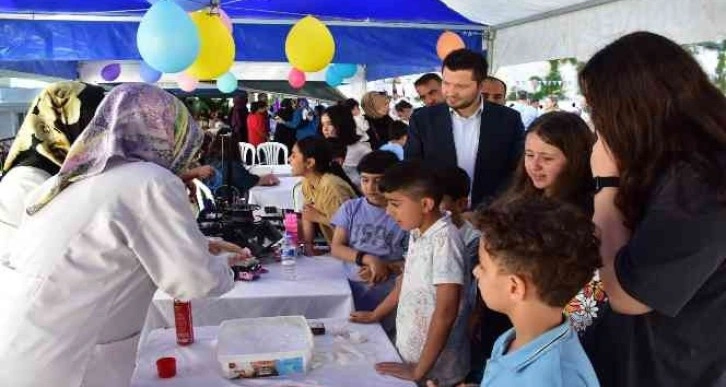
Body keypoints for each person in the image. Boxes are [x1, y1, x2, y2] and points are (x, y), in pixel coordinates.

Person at [0, 83, 247, 387]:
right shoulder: (150, 182)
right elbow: (194, 282)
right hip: (67, 366)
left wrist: (202, 245)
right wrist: (229, 264)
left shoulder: (73, 180)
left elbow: (102, 247)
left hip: (22, 351)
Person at [580, 31, 726, 387]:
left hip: (669, 368)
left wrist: (607, 185)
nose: (595, 124)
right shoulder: (666, 166)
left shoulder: (700, 180)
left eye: (596, 109)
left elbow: (628, 296)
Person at [350, 161, 470, 386]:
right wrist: (377, 314)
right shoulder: (418, 232)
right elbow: (406, 280)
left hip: (437, 368)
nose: (388, 211)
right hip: (411, 353)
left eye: (395, 204)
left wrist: (419, 370)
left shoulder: (445, 241)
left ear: (425, 204)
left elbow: (446, 310)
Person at [474, 197, 601, 386]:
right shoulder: (512, 339)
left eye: (482, 266)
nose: (475, 271)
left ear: (514, 287)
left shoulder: (554, 379)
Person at [405, 49, 525, 208]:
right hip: (438, 215)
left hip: (490, 217)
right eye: (446, 83)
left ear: (480, 85)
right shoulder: (422, 119)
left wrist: (487, 210)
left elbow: (516, 172)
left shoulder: (509, 119)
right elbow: (413, 169)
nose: (451, 92)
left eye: (461, 86)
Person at [0, 81, 105, 261]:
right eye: (91, 123)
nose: (100, 134)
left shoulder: (62, 172)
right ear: (63, 122)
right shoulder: (28, 181)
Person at [330, 151, 407, 322]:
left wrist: (385, 267)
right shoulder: (351, 208)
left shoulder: (404, 214)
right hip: (350, 286)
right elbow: (336, 247)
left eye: (378, 181)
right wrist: (369, 260)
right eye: (365, 180)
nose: (370, 187)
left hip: (390, 292)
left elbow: (411, 260)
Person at [290, 137, 360, 255]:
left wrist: (318, 218)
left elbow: (351, 228)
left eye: (293, 156)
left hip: (355, 252)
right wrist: (308, 247)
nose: (289, 160)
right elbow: (307, 215)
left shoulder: (332, 187)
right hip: (336, 249)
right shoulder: (307, 183)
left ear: (310, 163)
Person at [199, 132, 278, 195]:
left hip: (213, 204)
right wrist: (269, 178)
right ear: (233, 148)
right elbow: (252, 181)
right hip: (229, 209)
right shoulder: (233, 167)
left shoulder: (209, 162)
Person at [320, 104, 372, 185]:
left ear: (342, 124)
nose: (325, 129)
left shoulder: (361, 150)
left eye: (330, 124)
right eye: (323, 124)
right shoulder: (324, 148)